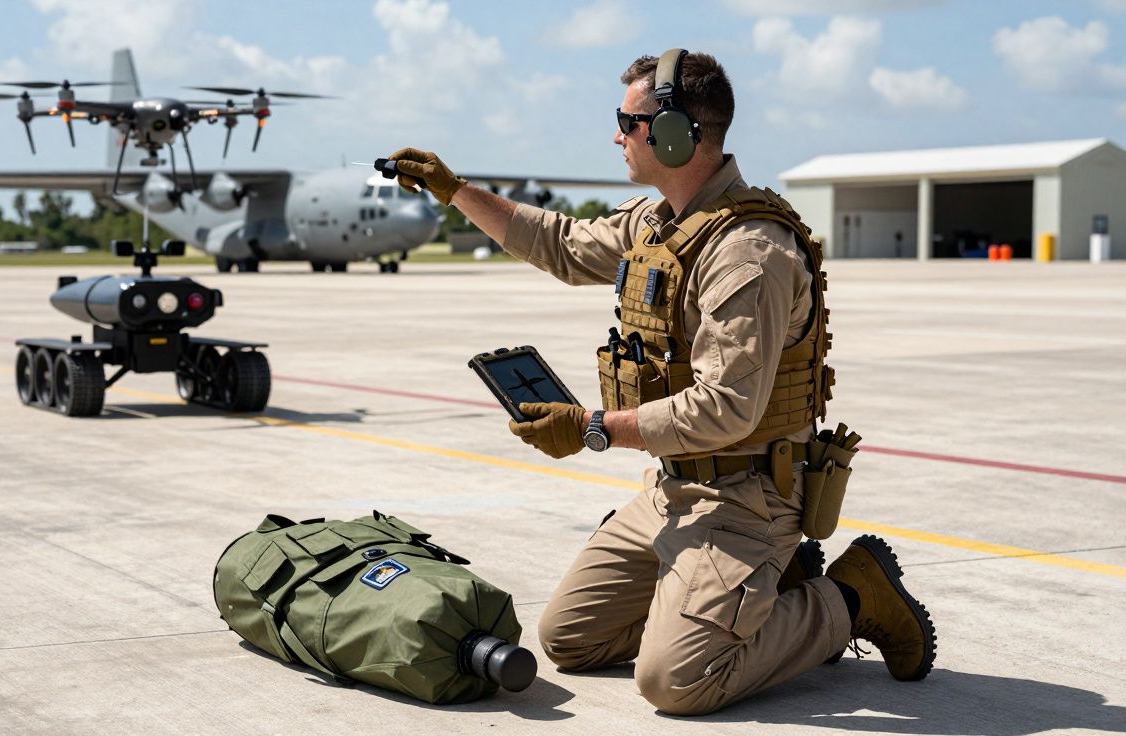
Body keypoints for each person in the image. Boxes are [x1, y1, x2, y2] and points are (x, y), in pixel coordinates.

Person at [388, 49, 936, 716]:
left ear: (677, 134)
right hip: (673, 487)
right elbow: (558, 243)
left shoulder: (749, 253)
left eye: (628, 120)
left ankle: (850, 597)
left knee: (678, 681)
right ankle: (748, 595)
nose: (617, 134)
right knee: (569, 639)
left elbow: (728, 407)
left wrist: (594, 429)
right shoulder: (656, 223)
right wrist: (455, 190)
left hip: (749, 496)